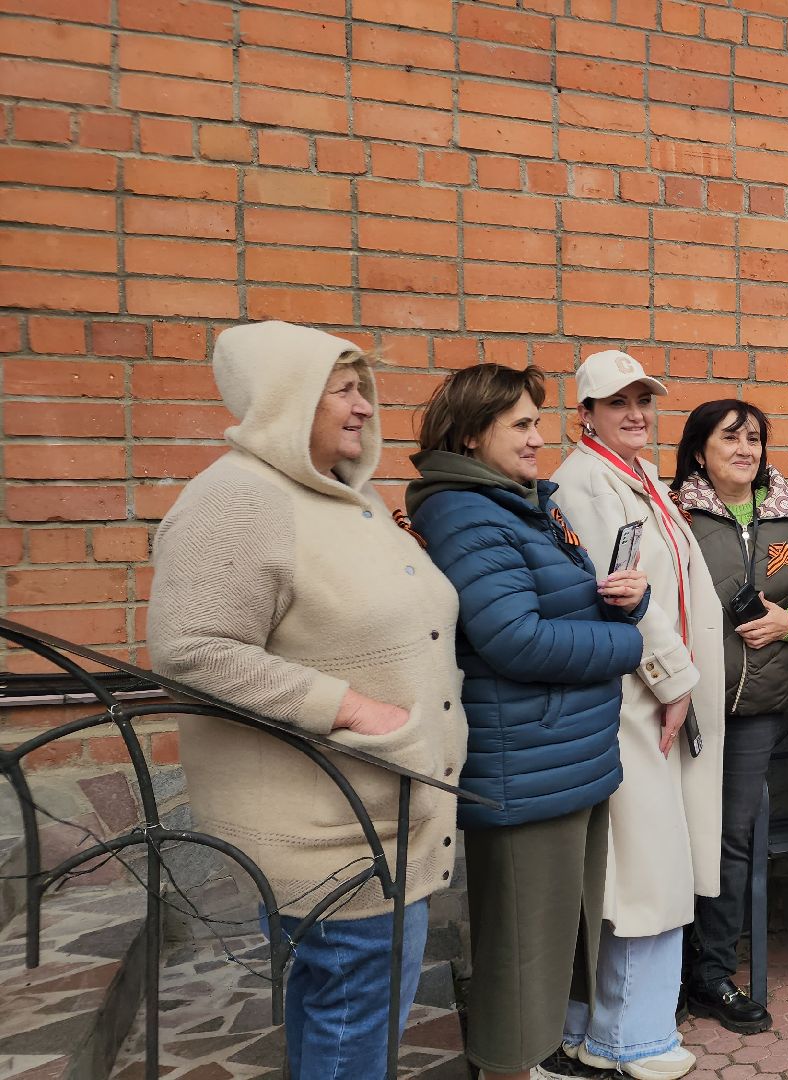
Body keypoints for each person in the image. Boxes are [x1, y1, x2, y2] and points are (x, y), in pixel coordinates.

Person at [149, 321, 470, 1080]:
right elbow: (193, 648)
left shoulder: (341, 501)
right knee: (355, 1017)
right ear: (288, 399)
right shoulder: (239, 497)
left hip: (382, 810)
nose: (365, 408)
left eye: (364, 389)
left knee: (348, 1011)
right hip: (331, 824)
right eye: (345, 390)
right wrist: (351, 708)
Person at [405, 363, 649, 1080]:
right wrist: (628, 641)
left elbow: (556, 605)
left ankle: (529, 1060)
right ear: (472, 434)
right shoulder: (466, 512)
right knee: (523, 941)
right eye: (521, 424)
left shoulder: (515, 502)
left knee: (551, 934)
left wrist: (620, 600)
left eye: (537, 422)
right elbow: (514, 637)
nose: (539, 438)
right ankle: (507, 1067)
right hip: (525, 755)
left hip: (560, 750)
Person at [547, 350, 726, 1080]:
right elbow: (618, 590)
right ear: (585, 412)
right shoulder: (584, 481)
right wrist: (673, 677)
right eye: (617, 402)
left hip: (663, 695)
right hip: (636, 699)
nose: (636, 413)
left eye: (644, 400)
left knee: (656, 862)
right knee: (639, 869)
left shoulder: (640, 476)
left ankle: (614, 1024)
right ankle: (623, 1036)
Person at [671, 398, 788, 1034]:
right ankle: (659, 967)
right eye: (730, 437)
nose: (745, 449)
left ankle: (711, 973)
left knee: (732, 839)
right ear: (699, 448)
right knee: (671, 837)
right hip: (682, 708)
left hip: (759, 709)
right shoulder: (672, 515)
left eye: (755, 438)